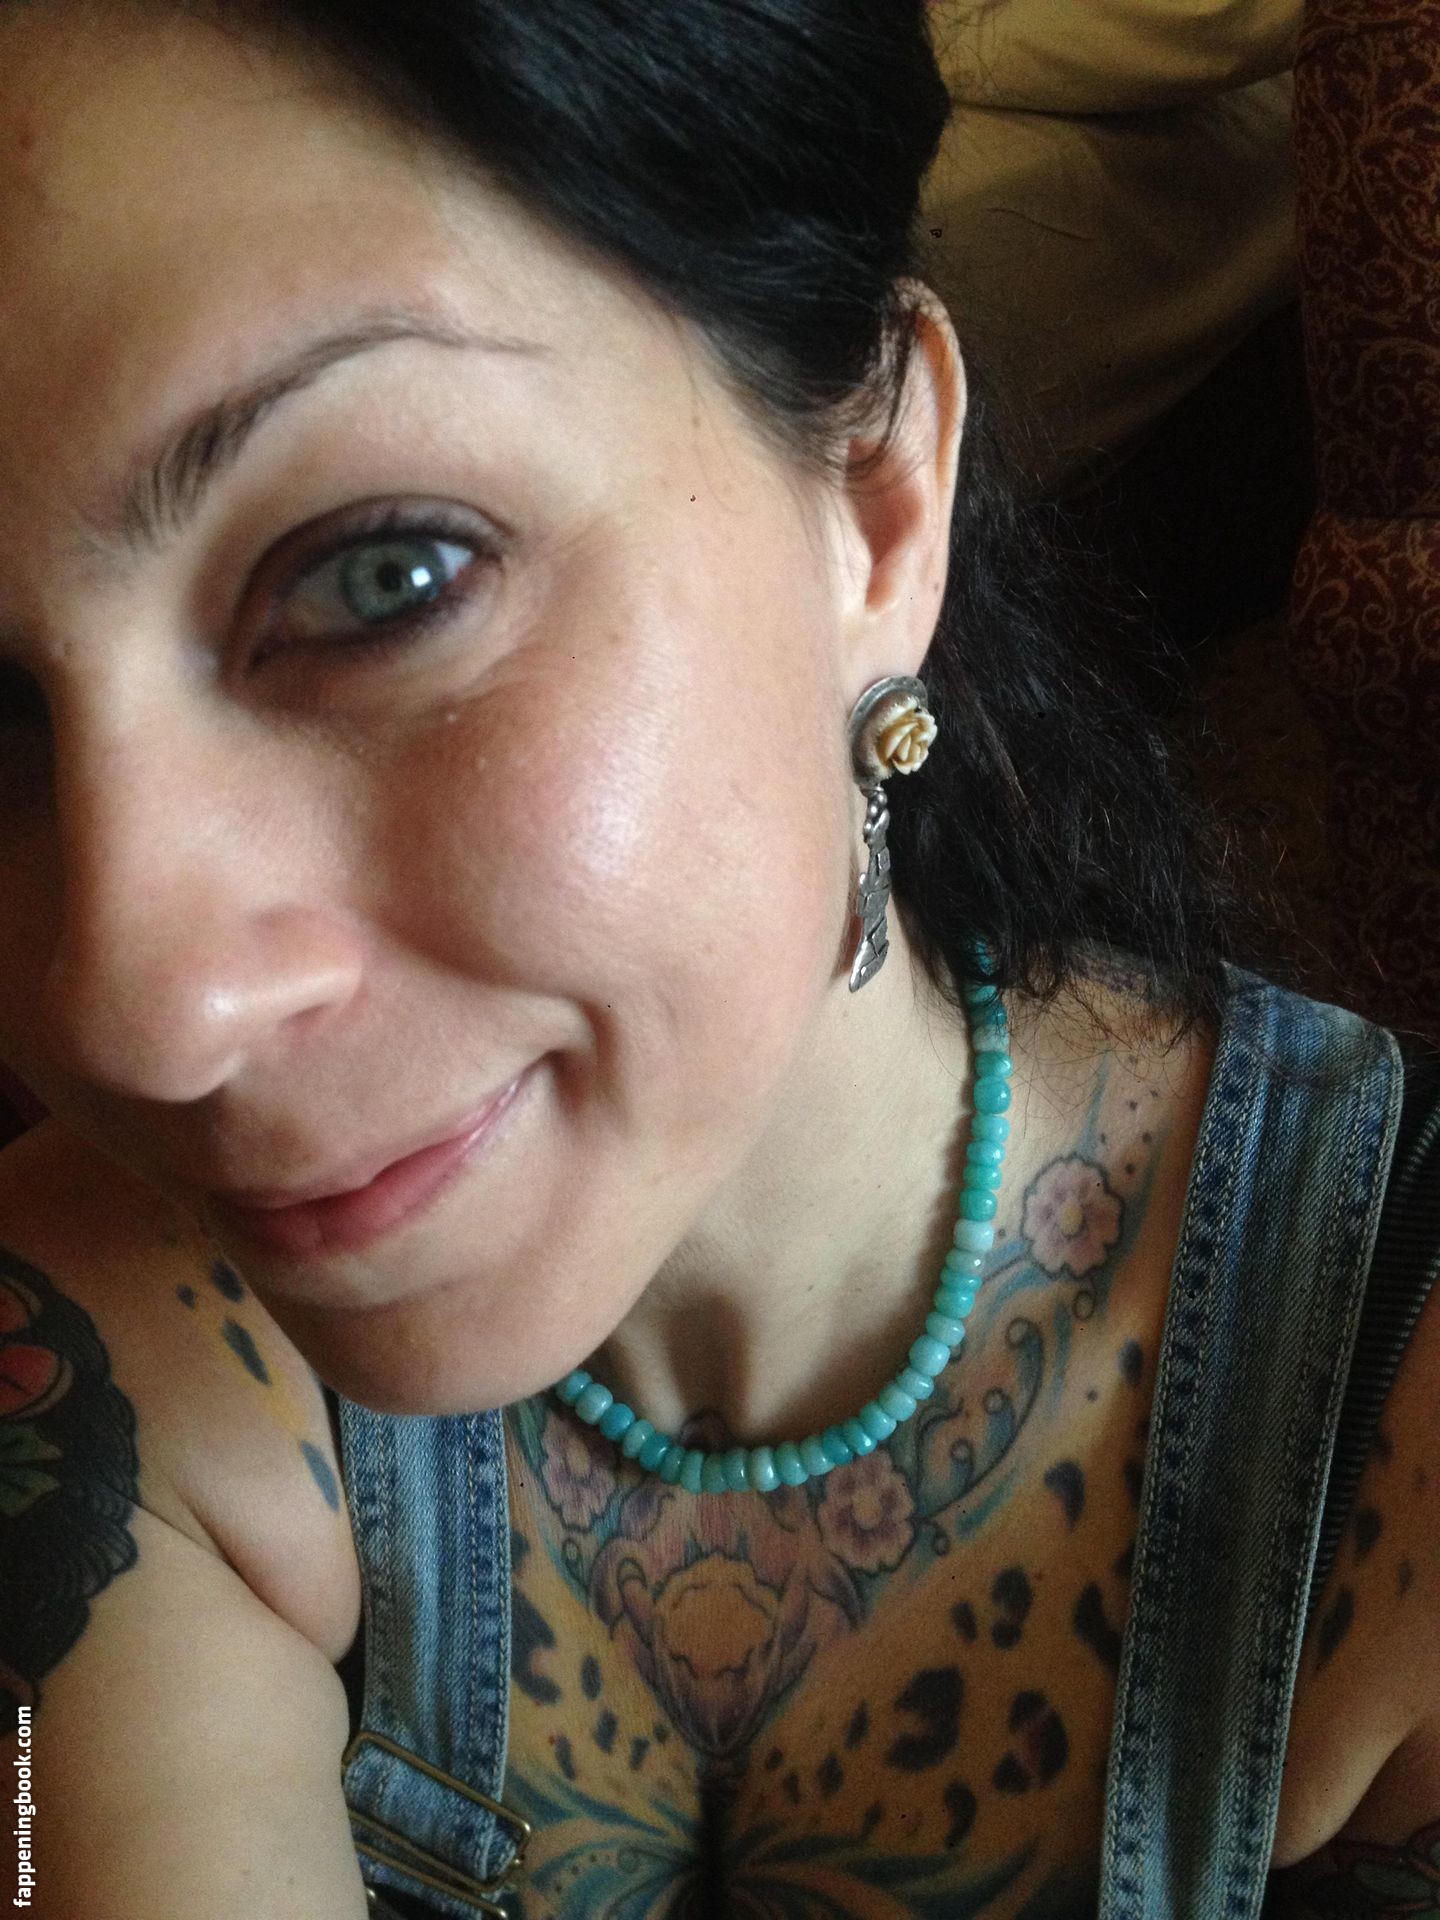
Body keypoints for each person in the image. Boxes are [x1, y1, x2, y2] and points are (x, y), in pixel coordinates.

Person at [0, 5, 1434, 1917]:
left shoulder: (1397, 1419)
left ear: (876, 496)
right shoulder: (90, 1364)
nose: (130, 1011)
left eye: (382, 578)